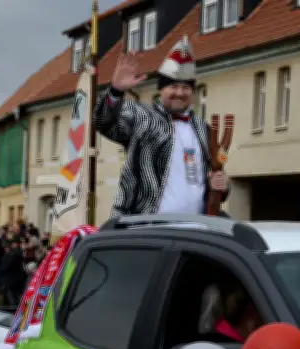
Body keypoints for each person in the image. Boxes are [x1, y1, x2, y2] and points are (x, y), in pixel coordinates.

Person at [93, 36, 231, 218]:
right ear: (161, 89)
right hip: (146, 229)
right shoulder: (142, 116)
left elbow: (210, 179)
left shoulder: (203, 128)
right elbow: (102, 122)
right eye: (173, 86)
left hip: (195, 228)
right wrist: (116, 91)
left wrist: (223, 185)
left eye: (186, 87)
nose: (180, 93)